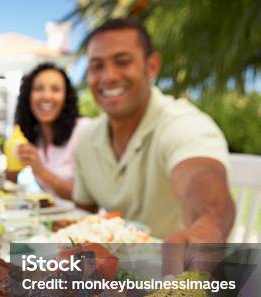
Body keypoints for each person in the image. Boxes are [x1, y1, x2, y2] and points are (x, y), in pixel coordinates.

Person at [73, 18, 234, 242]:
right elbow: (82, 214)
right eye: (96, 66)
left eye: (122, 62)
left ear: (151, 66)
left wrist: (206, 230)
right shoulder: (87, 137)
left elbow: (200, 178)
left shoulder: (182, 123)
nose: (108, 76)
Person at [4, 63, 89, 199]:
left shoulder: (84, 131)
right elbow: (9, 183)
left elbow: (88, 200)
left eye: (55, 89)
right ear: (28, 96)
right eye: (38, 89)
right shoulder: (35, 136)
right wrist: (11, 172)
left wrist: (40, 170)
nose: (47, 96)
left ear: (66, 97)